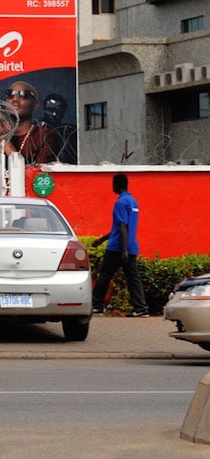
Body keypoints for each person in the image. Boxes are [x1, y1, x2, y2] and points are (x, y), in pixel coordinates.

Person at [91, 173, 149, 317]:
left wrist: (123, 250)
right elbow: (120, 227)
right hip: (131, 246)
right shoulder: (133, 202)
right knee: (133, 278)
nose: (112, 187)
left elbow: (123, 226)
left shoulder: (120, 202)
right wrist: (101, 240)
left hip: (117, 248)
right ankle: (141, 308)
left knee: (104, 275)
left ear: (117, 184)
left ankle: (97, 306)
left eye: (113, 184)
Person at [0, 80, 60, 164]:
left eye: (23, 95)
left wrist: (4, 140)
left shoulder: (44, 136)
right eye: (10, 94)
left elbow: (36, 176)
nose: (15, 99)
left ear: (35, 104)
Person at [40, 92, 78, 164]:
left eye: (59, 111)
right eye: (50, 110)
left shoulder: (69, 131)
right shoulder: (34, 131)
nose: (54, 114)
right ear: (44, 109)